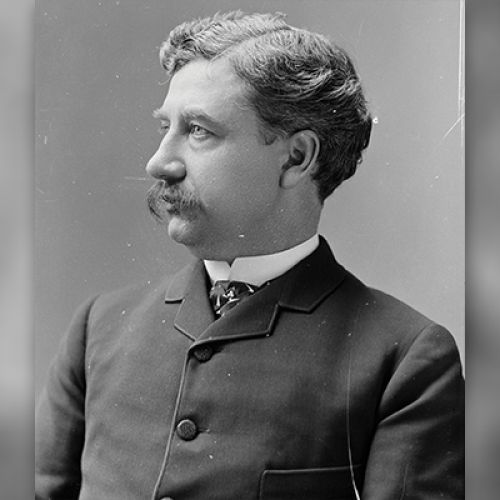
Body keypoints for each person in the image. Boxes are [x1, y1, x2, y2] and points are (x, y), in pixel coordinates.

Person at [35, 11, 464, 500]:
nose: (159, 162)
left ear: (297, 158)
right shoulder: (99, 328)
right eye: (165, 127)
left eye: (198, 130)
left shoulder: (403, 359)